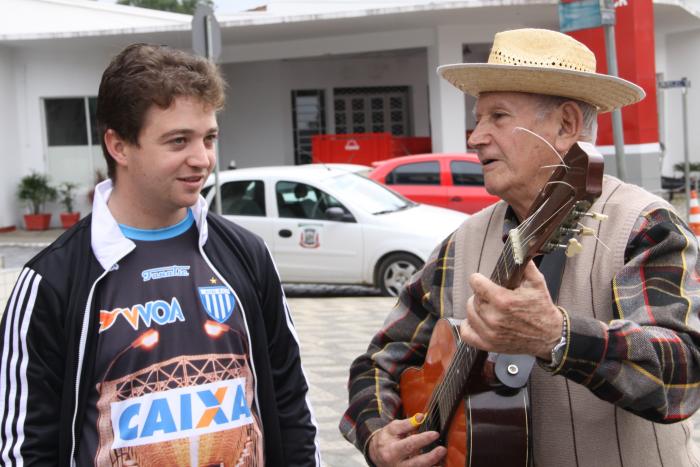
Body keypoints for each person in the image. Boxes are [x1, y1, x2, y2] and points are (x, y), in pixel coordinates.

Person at [340, 28, 700, 467]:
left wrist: (558, 337)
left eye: (498, 117)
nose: (474, 137)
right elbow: (378, 363)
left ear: (566, 125)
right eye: (478, 119)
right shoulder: (461, 242)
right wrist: (377, 435)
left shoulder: (643, 225)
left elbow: (683, 372)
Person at [0, 44, 320, 466]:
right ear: (118, 145)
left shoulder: (245, 255)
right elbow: (25, 448)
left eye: (209, 138)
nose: (202, 159)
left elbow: (289, 403)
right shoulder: (53, 280)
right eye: (178, 141)